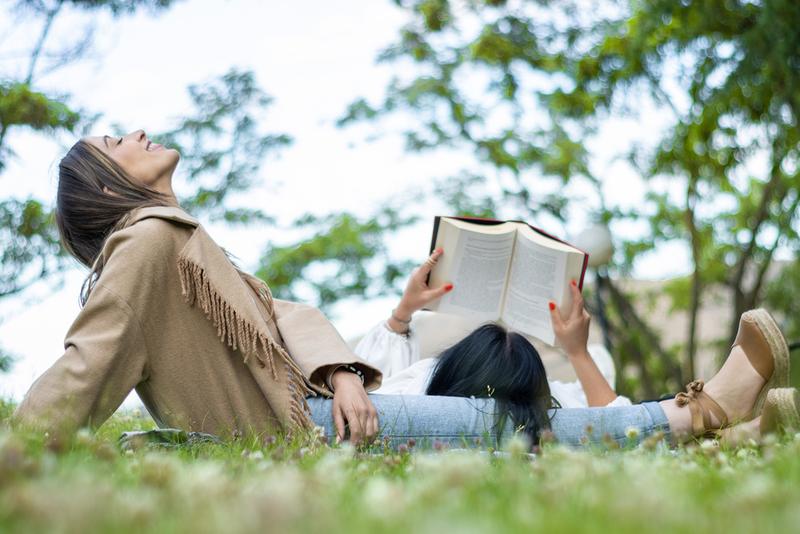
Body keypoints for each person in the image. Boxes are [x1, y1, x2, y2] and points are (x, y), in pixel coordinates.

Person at [11, 129, 793, 450]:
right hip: (303, 431)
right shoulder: (143, 246)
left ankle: (732, 429)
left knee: (504, 424)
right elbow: (87, 364)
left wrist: (346, 369)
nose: (136, 133)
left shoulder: (178, 247)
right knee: (502, 423)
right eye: (116, 141)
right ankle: (705, 411)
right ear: (107, 186)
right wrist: (17, 453)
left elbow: (282, 316)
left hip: (315, 408)